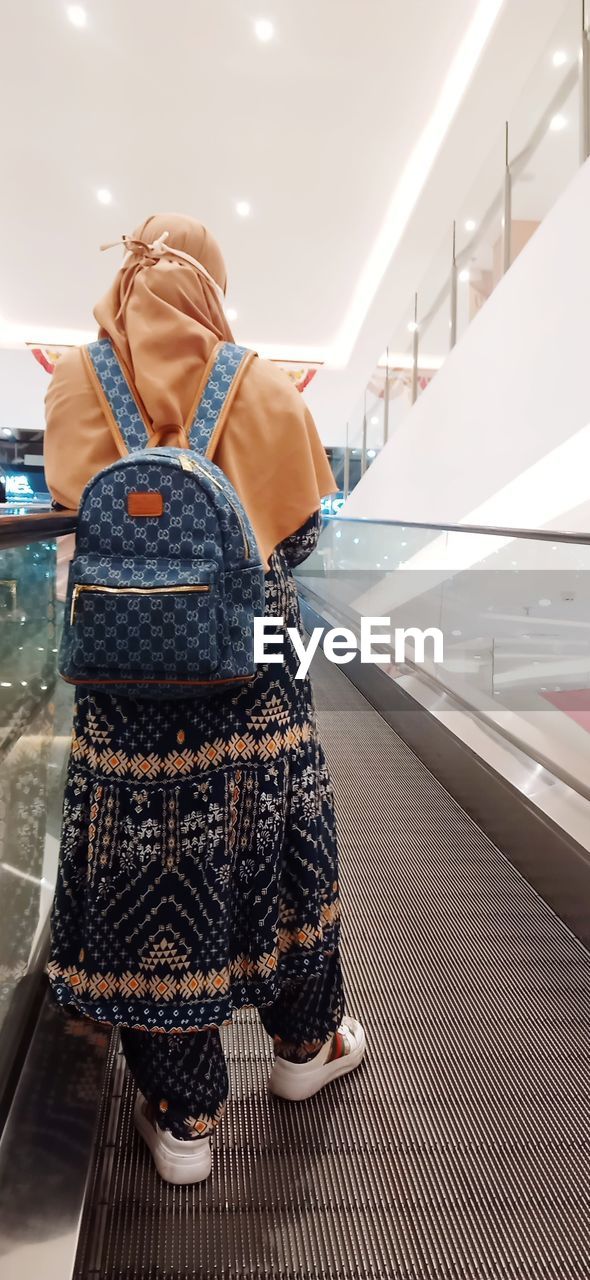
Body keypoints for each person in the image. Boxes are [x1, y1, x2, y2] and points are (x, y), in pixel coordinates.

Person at [44, 213, 365, 1186]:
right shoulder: (260, 384)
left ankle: (184, 1118)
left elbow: (70, 506)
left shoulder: (74, 385)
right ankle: (305, 1051)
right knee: (285, 855)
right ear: (211, 290)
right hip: (255, 686)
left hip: (125, 697)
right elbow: (300, 539)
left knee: (152, 885)